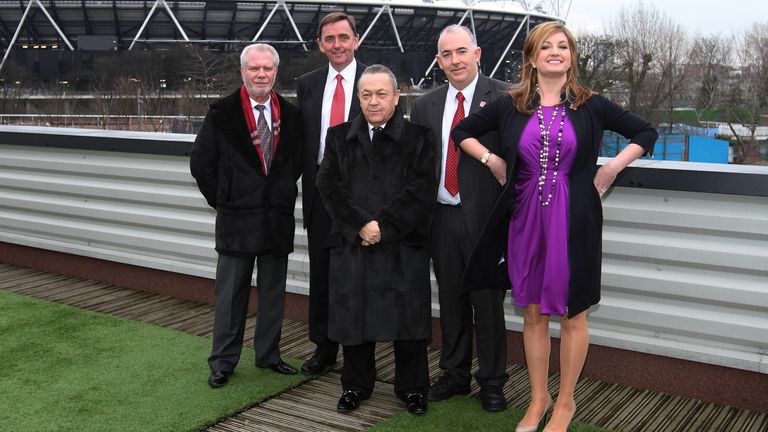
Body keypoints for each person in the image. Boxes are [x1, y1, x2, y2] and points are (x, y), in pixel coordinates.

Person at [452, 22, 657, 432]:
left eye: (563, 46)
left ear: (571, 57)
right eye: (546, 46)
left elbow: (645, 131)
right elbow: (462, 132)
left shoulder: (592, 104)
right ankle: (538, 398)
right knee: (531, 313)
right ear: (531, 57)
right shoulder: (510, 105)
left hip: (574, 220)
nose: (555, 52)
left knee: (573, 313)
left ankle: (565, 403)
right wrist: (492, 160)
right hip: (524, 220)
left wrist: (612, 167)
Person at [315, 65, 436, 415]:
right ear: (359, 97)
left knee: (409, 319)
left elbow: (421, 189)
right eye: (366, 94)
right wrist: (360, 225)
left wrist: (384, 226)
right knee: (354, 317)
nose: (373, 101)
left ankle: (413, 388)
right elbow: (329, 185)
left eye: (381, 93)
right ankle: (355, 386)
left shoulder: (420, 138)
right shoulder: (338, 137)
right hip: (354, 243)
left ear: (396, 96)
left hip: (402, 243)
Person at [190, 43, 304, 389]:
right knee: (230, 297)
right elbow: (201, 164)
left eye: (267, 69)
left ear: (276, 72)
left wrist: (280, 192)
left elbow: (295, 163)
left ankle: (268, 355)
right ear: (243, 72)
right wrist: (225, 199)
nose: (261, 74)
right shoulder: (222, 114)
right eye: (254, 68)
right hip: (237, 220)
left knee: (273, 293)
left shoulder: (292, 115)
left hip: (275, 219)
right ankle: (223, 362)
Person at [410, 24, 510, 412]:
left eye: (462, 52)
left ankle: (492, 381)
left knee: (487, 304)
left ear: (478, 53)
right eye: (447, 54)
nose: (455, 61)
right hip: (442, 217)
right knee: (450, 300)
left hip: (486, 220)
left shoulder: (504, 96)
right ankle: (454, 374)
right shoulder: (425, 105)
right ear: (438, 61)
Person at [296, 12, 367, 375]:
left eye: (343, 37)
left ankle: (359, 353)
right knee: (321, 276)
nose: (337, 45)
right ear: (320, 44)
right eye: (329, 39)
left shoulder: (374, 80)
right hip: (320, 195)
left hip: (360, 198)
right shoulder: (308, 83)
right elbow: (302, 141)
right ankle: (324, 349)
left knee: (357, 276)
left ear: (356, 39)